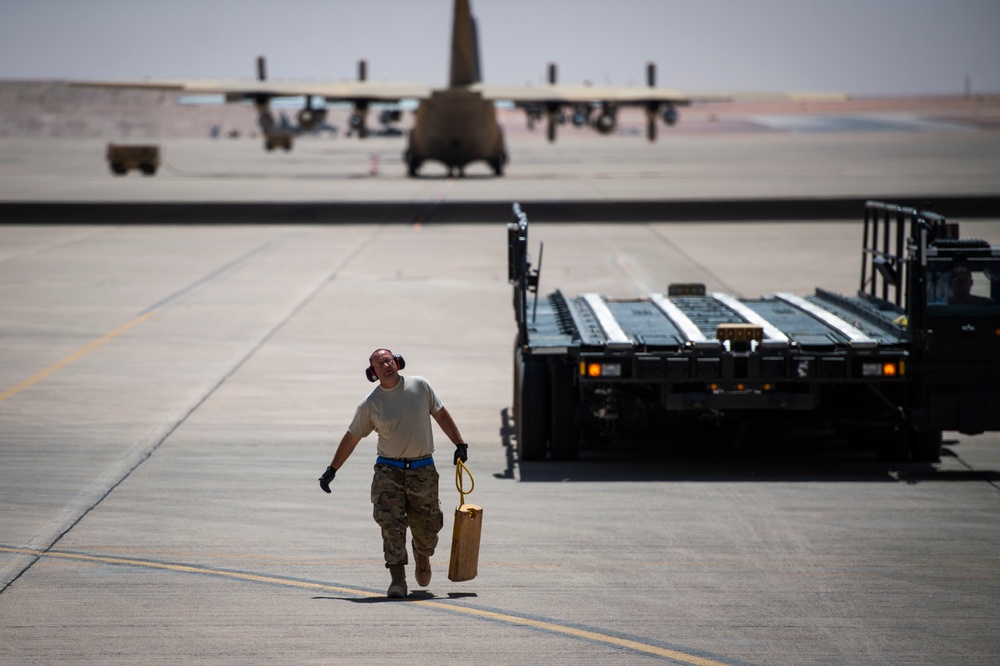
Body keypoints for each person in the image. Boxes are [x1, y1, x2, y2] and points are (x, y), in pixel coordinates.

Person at [318, 348, 469, 599]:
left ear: (397, 362)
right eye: (379, 364)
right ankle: (398, 578)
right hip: (389, 470)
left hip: (423, 469)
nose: (385, 365)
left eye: (388, 360)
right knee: (390, 525)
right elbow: (352, 437)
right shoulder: (370, 403)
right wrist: (332, 469)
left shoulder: (420, 386)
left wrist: (460, 444)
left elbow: (441, 415)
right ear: (373, 373)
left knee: (428, 528)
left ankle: (423, 554)